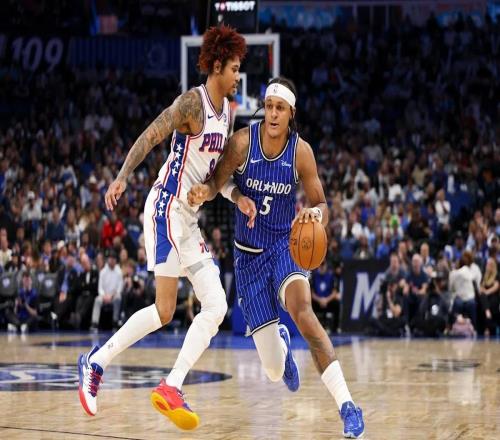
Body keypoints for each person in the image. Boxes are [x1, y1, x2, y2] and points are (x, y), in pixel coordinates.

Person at [77, 25, 247, 431]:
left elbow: (216, 176)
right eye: (234, 68)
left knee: (216, 305)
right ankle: (97, 361)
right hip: (166, 207)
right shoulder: (192, 103)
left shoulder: (228, 113)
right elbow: (151, 135)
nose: (238, 76)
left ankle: (171, 384)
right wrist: (122, 176)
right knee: (166, 308)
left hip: (188, 217)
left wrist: (234, 196)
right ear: (217, 66)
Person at [188, 77, 364, 438]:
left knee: (304, 314)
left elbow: (322, 203)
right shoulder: (242, 142)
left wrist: (315, 214)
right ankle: (281, 349)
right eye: (268, 106)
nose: (272, 113)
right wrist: (229, 196)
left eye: (279, 108)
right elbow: (217, 182)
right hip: (248, 256)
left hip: (285, 245)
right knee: (271, 370)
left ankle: (348, 405)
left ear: (290, 113)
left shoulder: (301, 152)